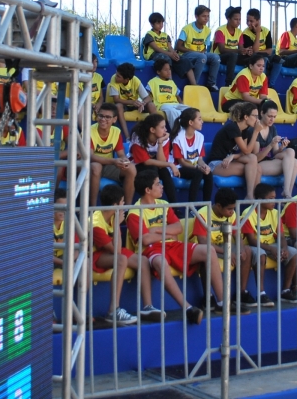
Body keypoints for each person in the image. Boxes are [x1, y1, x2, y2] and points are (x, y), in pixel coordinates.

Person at [126, 169, 226, 325]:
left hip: (173, 244)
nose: (162, 186)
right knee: (160, 262)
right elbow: (145, 240)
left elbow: (178, 228)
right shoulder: (134, 212)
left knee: (209, 250)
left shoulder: (164, 204)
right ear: (148, 190)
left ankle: (222, 303)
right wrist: (167, 233)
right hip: (151, 250)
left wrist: (158, 230)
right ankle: (187, 308)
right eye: (158, 184)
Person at [92, 184, 155, 325]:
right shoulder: (96, 223)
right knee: (121, 259)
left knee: (143, 261)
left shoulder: (114, 215)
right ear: (115, 205)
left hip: (110, 249)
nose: (124, 205)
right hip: (93, 255)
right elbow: (117, 251)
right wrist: (117, 226)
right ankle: (113, 311)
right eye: (122, 202)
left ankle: (147, 307)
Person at [192, 188, 260, 309]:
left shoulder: (232, 214)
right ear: (218, 206)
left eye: (233, 208)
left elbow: (236, 234)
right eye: (229, 209)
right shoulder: (203, 214)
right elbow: (203, 241)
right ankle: (209, 297)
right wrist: (227, 252)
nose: (232, 211)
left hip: (221, 245)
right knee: (206, 256)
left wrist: (241, 248)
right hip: (202, 247)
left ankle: (241, 293)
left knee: (247, 251)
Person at [246, 183, 297, 303]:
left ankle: (285, 291)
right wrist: (271, 249)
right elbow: (251, 241)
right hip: (253, 246)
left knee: (293, 252)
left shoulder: (275, 212)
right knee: (260, 253)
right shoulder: (248, 214)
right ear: (260, 200)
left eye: (275, 197)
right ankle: (261, 294)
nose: (274, 201)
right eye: (271, 198)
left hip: (271, 245)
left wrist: (285, 248)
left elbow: (281, 236)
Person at [205, 102, 262, 200]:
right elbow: (247, 151)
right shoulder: (232, 127)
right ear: (246, 117)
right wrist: (256, 132)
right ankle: (250, 197)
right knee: (254, 168)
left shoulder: (245, 131)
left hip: (227, 162)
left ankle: (255, 198)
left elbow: (245, 153)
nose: (258, 120)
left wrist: (233, 156)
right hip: (215, 164)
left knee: (256, 165)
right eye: (255, 116)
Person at [250, 100, 297, 199]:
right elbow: (256, 158)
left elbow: (275, 152)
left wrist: (281, 147)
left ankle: (287, 192)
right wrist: (271, 144)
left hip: (271, 162)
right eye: (269, 116)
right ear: (262, 113)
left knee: (291, 152)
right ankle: (287, 193)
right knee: (294, 163)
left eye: (274, 117)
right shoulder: (255, 129)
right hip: (259, 164)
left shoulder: (272, 128)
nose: (272, 119)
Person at [89, 103, 136, 205]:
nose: (103, 119)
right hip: (88, 165)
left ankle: (127, 208)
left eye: (107, 117)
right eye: (101, 116)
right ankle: (91, 209)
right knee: (96, 167)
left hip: (107, 166)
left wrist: (124, 160)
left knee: (131, 168)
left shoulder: (116, 131)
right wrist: (113, 161)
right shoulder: (89, 131)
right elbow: (90, 156)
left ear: (114, 119)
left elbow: (121, 153)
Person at [129, 113, 179, 203]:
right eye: (162, 127)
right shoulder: (138, 137)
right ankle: (153, 204)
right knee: (152, 169)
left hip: (154, 166)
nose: (166, 130)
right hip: (136, 166)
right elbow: (146, 162)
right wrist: (170, 164)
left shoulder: (163, 138)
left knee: (165, 172)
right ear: (152, 129)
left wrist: (160, 143)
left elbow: (161, 163)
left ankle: (174, 207)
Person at [170, 107, 214, 203]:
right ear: (190, 122)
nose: (202, 121)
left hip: (195, 167)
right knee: (198, 173)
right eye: (199, 119)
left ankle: (206, 206)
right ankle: (191, 207)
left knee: (208, 173)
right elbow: (181, 162)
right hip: (179, 168)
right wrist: (198, 168)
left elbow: (200, 159)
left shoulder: (200, 137)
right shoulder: (178, 138)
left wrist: (204, 166)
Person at [142, 12, 197, 86]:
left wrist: (174, 54)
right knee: (166, 58)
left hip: (167, 53)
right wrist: (169, 54)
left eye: (162, 23)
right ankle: (170, 84)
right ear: (152, 24)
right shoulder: (149, 35)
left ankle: (194, 85)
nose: (161, 25)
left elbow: (170, 47)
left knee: (184, 60)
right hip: (154, 55)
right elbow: (156, 48)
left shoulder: (165, 35)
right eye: (158, 23)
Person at [107, 62, 158, 140]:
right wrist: (132, 102)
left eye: (119, 76)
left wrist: (142, 104)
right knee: (118, 106)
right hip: (124, 104)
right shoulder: (114, 78)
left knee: (151, 105)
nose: (116, 77)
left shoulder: (135, 80)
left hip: (136, 104)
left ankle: (156, 134)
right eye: (116, 74)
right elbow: (116, 99)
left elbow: (148, 98)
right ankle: (127, 137)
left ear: (126, 79)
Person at [176, 4, 221, 91]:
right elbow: (178, 46)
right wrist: (195, 52)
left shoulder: (208, 30)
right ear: (196, 16)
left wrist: (202, 51)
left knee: (216, 57)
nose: (206, 18)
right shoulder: (187, 29)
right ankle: (194, 85)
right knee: (202, 57)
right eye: (203, 16)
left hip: (200, 54)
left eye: (208, 16)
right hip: (186, 54)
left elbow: (205, 46)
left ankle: (211, 84)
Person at [242, 8, 282, 87]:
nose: (248, 23)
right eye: (247, 20)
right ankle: (262, 84)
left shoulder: (266, 31)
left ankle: (271, 85)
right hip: (253, 57)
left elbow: (270, 51)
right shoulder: (245, 33)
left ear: (258, 21)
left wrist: (262, 52)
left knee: (279, 60)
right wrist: (258, 33)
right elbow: (255, 51)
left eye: (251, 21)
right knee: (264, 59)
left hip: (265, 55)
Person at [147, 59, 189, 128]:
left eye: (169, 69)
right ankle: (177, 133)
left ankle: (189, 134)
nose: (169, 72)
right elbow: (147, 94)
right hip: (162, 105)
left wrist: (181, 104)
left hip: (175, 104)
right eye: (165, 70)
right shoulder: (153, 82)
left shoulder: (172, 82)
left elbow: (177, 96)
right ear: (158, 72)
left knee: (191, 111)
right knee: (173, 111)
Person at [212, 5, 245, 87]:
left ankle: (247, 85)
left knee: (252, 59)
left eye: (240, 19)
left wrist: (246, 51)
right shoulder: (220, 31)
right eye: (235, 19)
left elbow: (241, 49)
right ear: (228, 19)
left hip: (233, 56)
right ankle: (229, 84)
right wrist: (238, 51)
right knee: (233, 55)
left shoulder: (239, 32)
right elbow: (222, 49)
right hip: (219, 57)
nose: (238, 22)